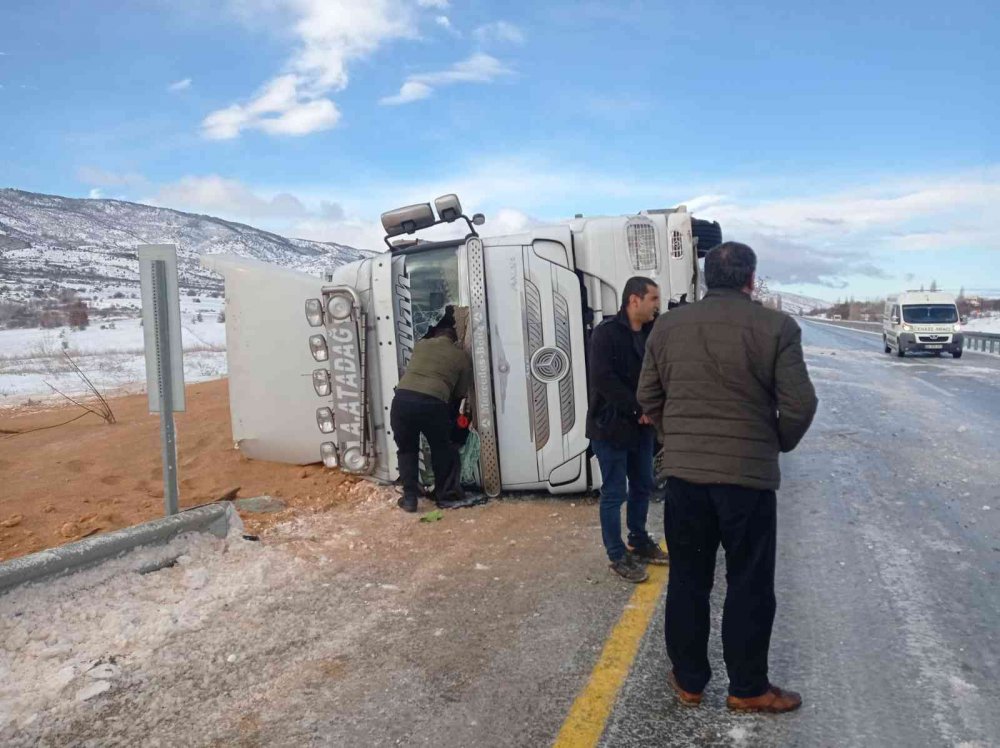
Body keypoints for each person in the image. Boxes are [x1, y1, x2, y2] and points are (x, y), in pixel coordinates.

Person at [638, 242, 818, 713]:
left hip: (686, 479)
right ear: (751, 279)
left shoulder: (668, 326)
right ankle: (748, 687)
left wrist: (675, 437)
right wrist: (771, 443)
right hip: (748, 483)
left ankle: (690, 681)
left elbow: (648, 395)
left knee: (688, 581)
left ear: (705, 278)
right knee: (749, 584)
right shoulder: (777, 327)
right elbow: (800, 405)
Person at [586, 276, 670, 583]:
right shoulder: (605, 334)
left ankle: (638, 540)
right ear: (634, 300)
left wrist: (654, 408)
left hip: (642, 429)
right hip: (610, 426)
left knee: (643, 484)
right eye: (653, 299)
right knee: (614, 492)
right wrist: (639, 409)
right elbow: (603, 380)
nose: (657, 306)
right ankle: (617, 554)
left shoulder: (653, 332)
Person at [390, 306, 473, 512]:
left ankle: (409, 499)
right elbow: (460, 393)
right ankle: (445, 496)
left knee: (407, 450)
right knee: (441, 449)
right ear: (454, 338)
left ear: (435, 333)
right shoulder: (461, 356)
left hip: (401, 401)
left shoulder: (421, 345)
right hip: (433, 404)